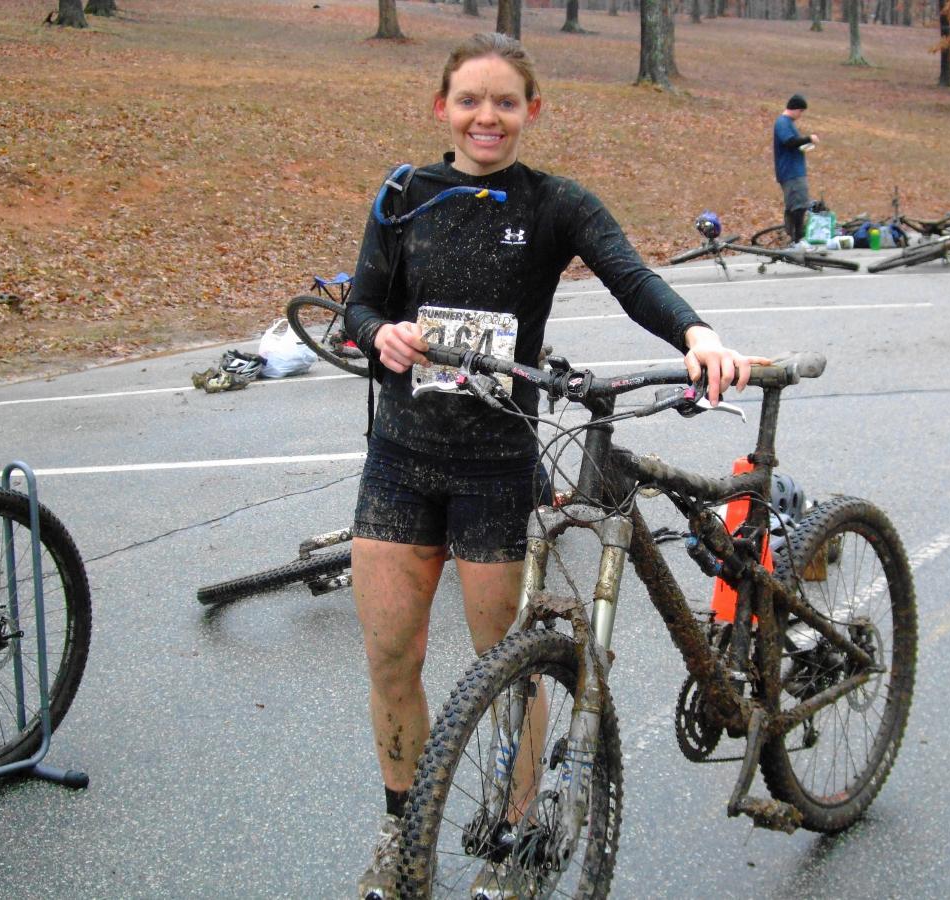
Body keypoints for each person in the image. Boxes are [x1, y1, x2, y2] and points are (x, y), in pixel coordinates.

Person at [343, 32, 767, 900]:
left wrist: (697, 335)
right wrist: (376, 333)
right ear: (442, 109)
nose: (486, 117)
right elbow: (360, 304)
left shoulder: (553, 204)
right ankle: (402, 833)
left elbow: (630, 276)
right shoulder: (403, 194)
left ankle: (518, 826)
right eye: (470, 100)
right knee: (393, 657)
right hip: (400, 461)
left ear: (531, 110)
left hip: (498, 466)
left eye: (505, 102)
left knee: (511, 666)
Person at [772, 93, 819, 248]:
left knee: (797, 205)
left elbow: (794, 144)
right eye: (801, 111)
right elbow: (790, 142)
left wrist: (804, 145)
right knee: (798, 206)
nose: (800, 115)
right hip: (790, 172)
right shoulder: (782, 123)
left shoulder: (787, 123)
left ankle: (794, 238)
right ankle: (797, 240)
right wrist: (808, 139)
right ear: (795, 109)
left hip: (795, 170)